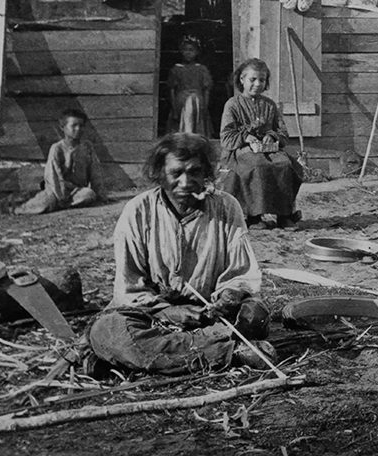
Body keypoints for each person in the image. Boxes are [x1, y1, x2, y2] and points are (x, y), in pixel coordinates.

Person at [87, 133, 275, 375]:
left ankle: (164, 353)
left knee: (254, 315)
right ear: (159, 175)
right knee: (109, 330)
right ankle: (231, 353)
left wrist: (229, 295)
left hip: (211, 313)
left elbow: (241, 272)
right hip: (152, 315)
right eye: (176, 173)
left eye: (194, 172)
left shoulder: (227, 207)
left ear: (207, 173)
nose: (185, 182)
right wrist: (168, 311)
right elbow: (130, 287)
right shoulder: (137, 212)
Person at [218, 58, 302, 228]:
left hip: (268, 150)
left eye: (262, 80)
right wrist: (246, 137)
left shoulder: (270, 105)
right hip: (239, 151)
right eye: (252, 79)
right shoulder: (233, 105)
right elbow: (226, 137)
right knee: (256, 166)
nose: (257, 84)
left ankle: (284, 215)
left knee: (285, 164)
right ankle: (254, 217)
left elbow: (283, 134)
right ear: (242, 80)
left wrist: (272, 136)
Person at [15, 109, 100, 215]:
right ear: (62, 128)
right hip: (56, 190)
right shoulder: (57, 148)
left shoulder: (87, 147)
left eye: (81, 126)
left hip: (76, 191)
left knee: (89, 194)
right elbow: (53, 175)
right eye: (74, 126)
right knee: (46, 202)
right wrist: (61, 195)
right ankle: (19, 209)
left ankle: (61, 205)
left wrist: (100, 194)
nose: (78, 129)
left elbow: (95, 173)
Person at [166, 35, 213, 137]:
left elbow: (206, 90)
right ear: (181, 51)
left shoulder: (201, 69)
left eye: (191, 50)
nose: (188, 53)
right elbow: (172, 90)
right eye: (185, 50)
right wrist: (174, 109)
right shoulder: (177, 69)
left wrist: (205, 107)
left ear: (196, 52)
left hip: (198, 101)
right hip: (181, 101)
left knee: (194, 101)